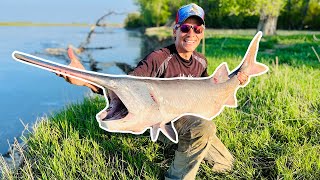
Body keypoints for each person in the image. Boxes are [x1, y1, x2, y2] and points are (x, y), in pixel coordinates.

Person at [61, 3, 248, 179]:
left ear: (202, 33)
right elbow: (127, 87)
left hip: (189, 117)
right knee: (203, 128)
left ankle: (208, 155)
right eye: (185, 28)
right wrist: (87, 80)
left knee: (227, 163)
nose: (191, 33)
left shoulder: (201, 61)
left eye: (197, 29)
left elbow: (210, 88)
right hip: (161, 120)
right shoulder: (158, 58)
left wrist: (236, 80)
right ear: (175, 30)